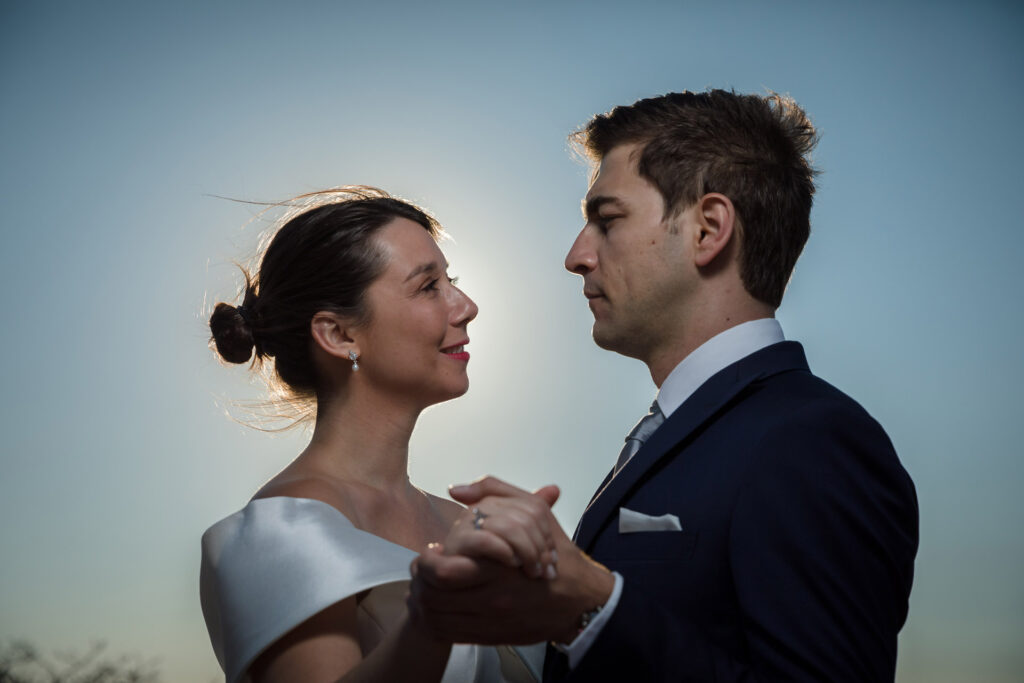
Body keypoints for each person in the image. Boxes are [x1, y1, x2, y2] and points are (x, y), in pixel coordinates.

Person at [408, 90, 920, 682]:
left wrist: (592, 605)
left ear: (708, 230)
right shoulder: (678, 432)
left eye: (607, 220)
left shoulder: (811, 439)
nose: (576, 256)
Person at [199, 187, 554, 683]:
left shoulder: (465, 523)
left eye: (452, 280)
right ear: (340, 335)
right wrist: (432, 623)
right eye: (429, 287)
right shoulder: (279, 534)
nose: (466, 306)